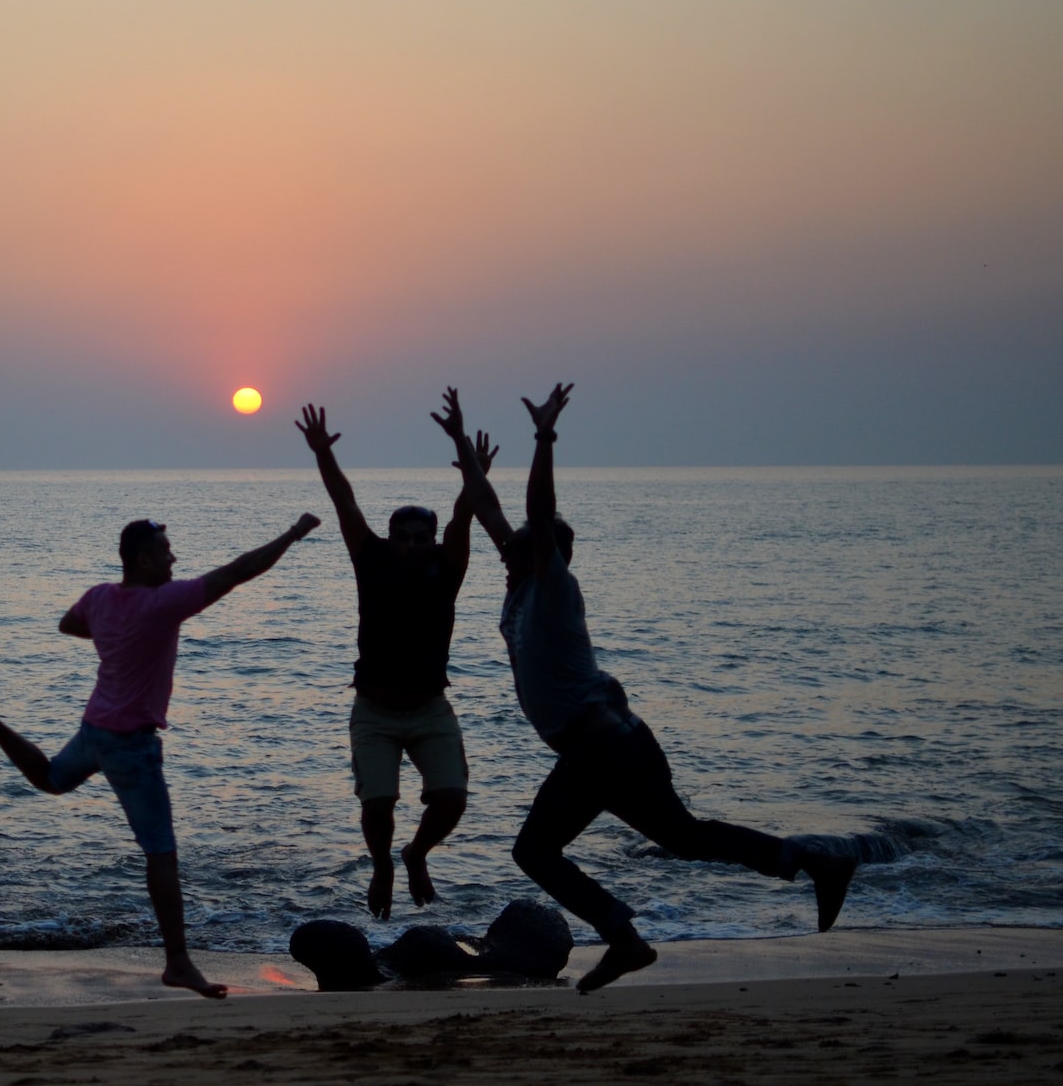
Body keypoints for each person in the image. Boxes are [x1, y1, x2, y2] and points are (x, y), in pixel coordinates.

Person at [433, 384, 858, 993]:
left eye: (518, 552)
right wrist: (460, 443)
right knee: (682, 837)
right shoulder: (521, 585)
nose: (505, 557)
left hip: (600, 746)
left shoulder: (553, 591)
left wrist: (544, 437)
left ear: (545, 557)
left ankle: (624, 937)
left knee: (534, 852)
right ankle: (815, 860)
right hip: (616, 744)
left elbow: (535, 505)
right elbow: (492, 507)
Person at [0, 511, 321, 999]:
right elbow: (238, 572)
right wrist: (292, 533)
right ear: (142, 560)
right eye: (165, 551)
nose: (174, 558)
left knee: (53, 779)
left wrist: (113, 636)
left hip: (95, 729)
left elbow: (67, 624)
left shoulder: (100, 598)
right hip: (132, 745)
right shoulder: (163, 603)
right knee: (161, 853)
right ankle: (178, 962)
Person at [294, 404, 498, 918]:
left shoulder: (448, 567)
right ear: (390, 538)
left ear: (431, 542)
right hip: (375, 712)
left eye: (419, 538)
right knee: (377, 804)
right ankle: (384, 863)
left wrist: (469, 462)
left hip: (430, 709)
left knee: (451, 799)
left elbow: (464, 513)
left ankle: (416, 854)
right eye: (402, 537)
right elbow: (345, 502)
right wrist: (324, 452)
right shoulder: (371, 559)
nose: (410, 546)